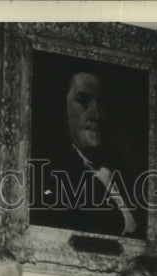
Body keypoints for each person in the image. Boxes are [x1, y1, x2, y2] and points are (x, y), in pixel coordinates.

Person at [30, 68, 146, 238]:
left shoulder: (128, 174)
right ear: (63, 108)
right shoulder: (49, 178)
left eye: (102, 103)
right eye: (83, 101)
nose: (96, 114)